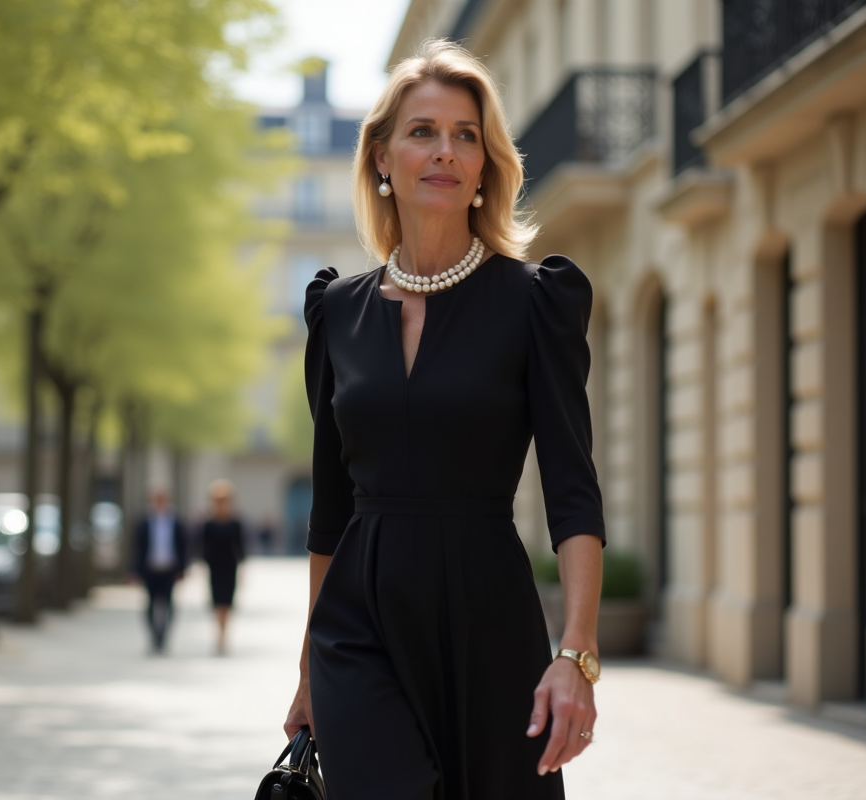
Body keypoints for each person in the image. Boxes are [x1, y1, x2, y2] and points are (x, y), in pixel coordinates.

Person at [282, 40, 606, 799]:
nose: (446, 152)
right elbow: (329, 511)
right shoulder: (336, 311)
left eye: (466, 136)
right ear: (382, 158)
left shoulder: (535, 303)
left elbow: (572, 490)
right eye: (423, 132)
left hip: (487, 616)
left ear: (486, 165)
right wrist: (306, 671)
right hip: (357, 623)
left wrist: (578, 655)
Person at [131, 489, 187, 654]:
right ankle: (153, 637)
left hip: (169, 569)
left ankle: (163, 637)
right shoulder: (144, 521)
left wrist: (182, 569)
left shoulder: (176, 521)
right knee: (149, 604)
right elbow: (137, 548)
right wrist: (134, 570)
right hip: (150, 569)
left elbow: (183, 547)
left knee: (169, 605)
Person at [200, 479, 245, 655]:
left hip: (230, 567)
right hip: (214, 568)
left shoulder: (235, 523)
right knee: (216, 603)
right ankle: (219, 634)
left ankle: (224, 635)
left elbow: (241, 549)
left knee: (227, 603)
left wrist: (242, 570)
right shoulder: (208, 524)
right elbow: (203, 548)